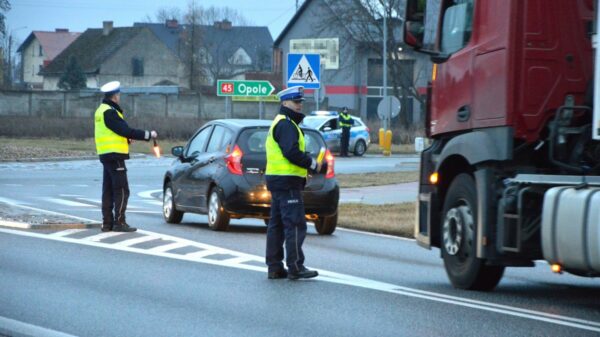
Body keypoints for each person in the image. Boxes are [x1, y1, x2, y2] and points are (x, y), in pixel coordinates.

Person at [265, 86, 322, 280]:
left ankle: (274, 267)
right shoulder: (287, 124)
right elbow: (291, 152)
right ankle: (295, 266)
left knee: (277, 225)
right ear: (284, 103)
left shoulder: (281, 122)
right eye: (296, 102)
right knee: (295, 225)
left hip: (278, 180)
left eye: (300, 102)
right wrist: (312, 163)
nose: (299, 105)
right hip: (287, 182)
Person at [94, 81, 158, 232]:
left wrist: (127, 139)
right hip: (115, 156)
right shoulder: (110, 111)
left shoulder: (101, 110)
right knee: (122, 189)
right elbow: (125, 130)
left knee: (108, 189)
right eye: (119, 94)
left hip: (106, 154)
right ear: (115, 96)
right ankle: (119, 222)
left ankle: (107, 223)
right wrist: (148, 135)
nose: (119, 96)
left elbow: (112, 132)